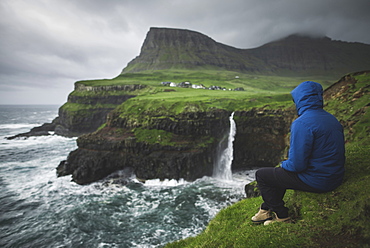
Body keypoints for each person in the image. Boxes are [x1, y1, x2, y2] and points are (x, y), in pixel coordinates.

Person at [251, 81, 345, 225]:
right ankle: (264, 209)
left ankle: (282, 216)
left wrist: (284, 164)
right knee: (278, 175)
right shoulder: (331, 119)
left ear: (300, 99)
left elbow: (296, 166)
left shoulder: (302, 123)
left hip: (318, 181)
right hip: (334, 176)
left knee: (262, 175)